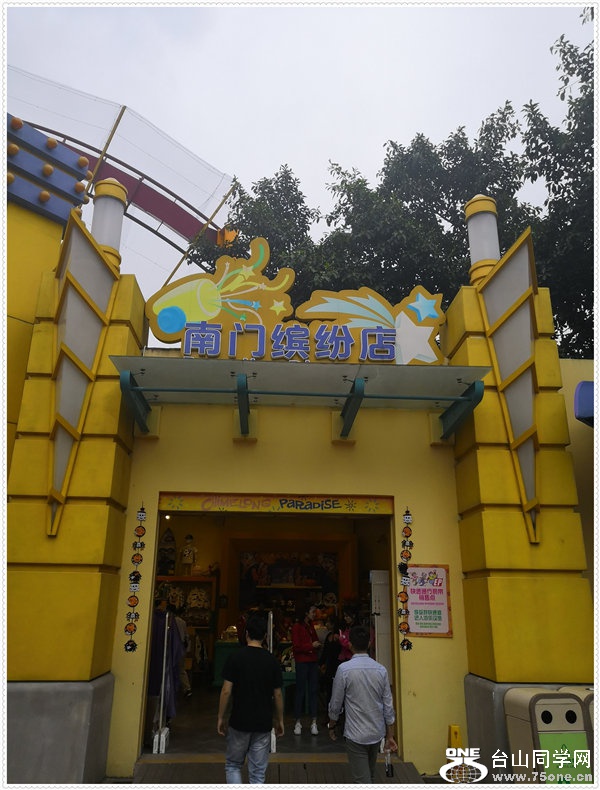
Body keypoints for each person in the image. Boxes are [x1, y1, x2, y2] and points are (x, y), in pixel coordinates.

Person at [217, 613, 284, 784]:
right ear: (265, 636)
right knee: (258, 773)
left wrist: (221, 717)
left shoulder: (235, 658)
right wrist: (280, 719)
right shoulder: (272, 661)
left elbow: (226, 691)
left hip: (239, 721)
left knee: (233, 765)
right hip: (263, 723)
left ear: (246, 634)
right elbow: (277, 694)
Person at [327, 624, 397, 783]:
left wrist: (332, 724)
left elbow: (336, 703)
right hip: (376, 732)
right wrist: (390, 735)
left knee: (362, 780)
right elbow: (388, 706)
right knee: (369, 776)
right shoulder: (381, 670)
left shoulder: (344, 669)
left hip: (355, 733)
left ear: (350, 645)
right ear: (369, 644)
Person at [291, 604, 321, 735]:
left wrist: (316, 645)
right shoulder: (297, 627)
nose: (314, 614)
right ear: (305, 613)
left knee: (313, 690)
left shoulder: (310, 626)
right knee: (300, 691)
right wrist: (311, 645)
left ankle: (313, 721)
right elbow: (296, 646)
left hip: (312, 661)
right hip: (302, 661)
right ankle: (298, 721)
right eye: (312, 612)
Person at [318, 615, 341, 719]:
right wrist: (321, 663)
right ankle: (329, 715)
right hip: (329, 667)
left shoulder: (339, 636)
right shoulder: (329, 636)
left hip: (337, 666)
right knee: (329, 692)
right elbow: (325, 653)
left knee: (336, 692)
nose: (326, 624)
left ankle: (336, 716)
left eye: (328, 622)